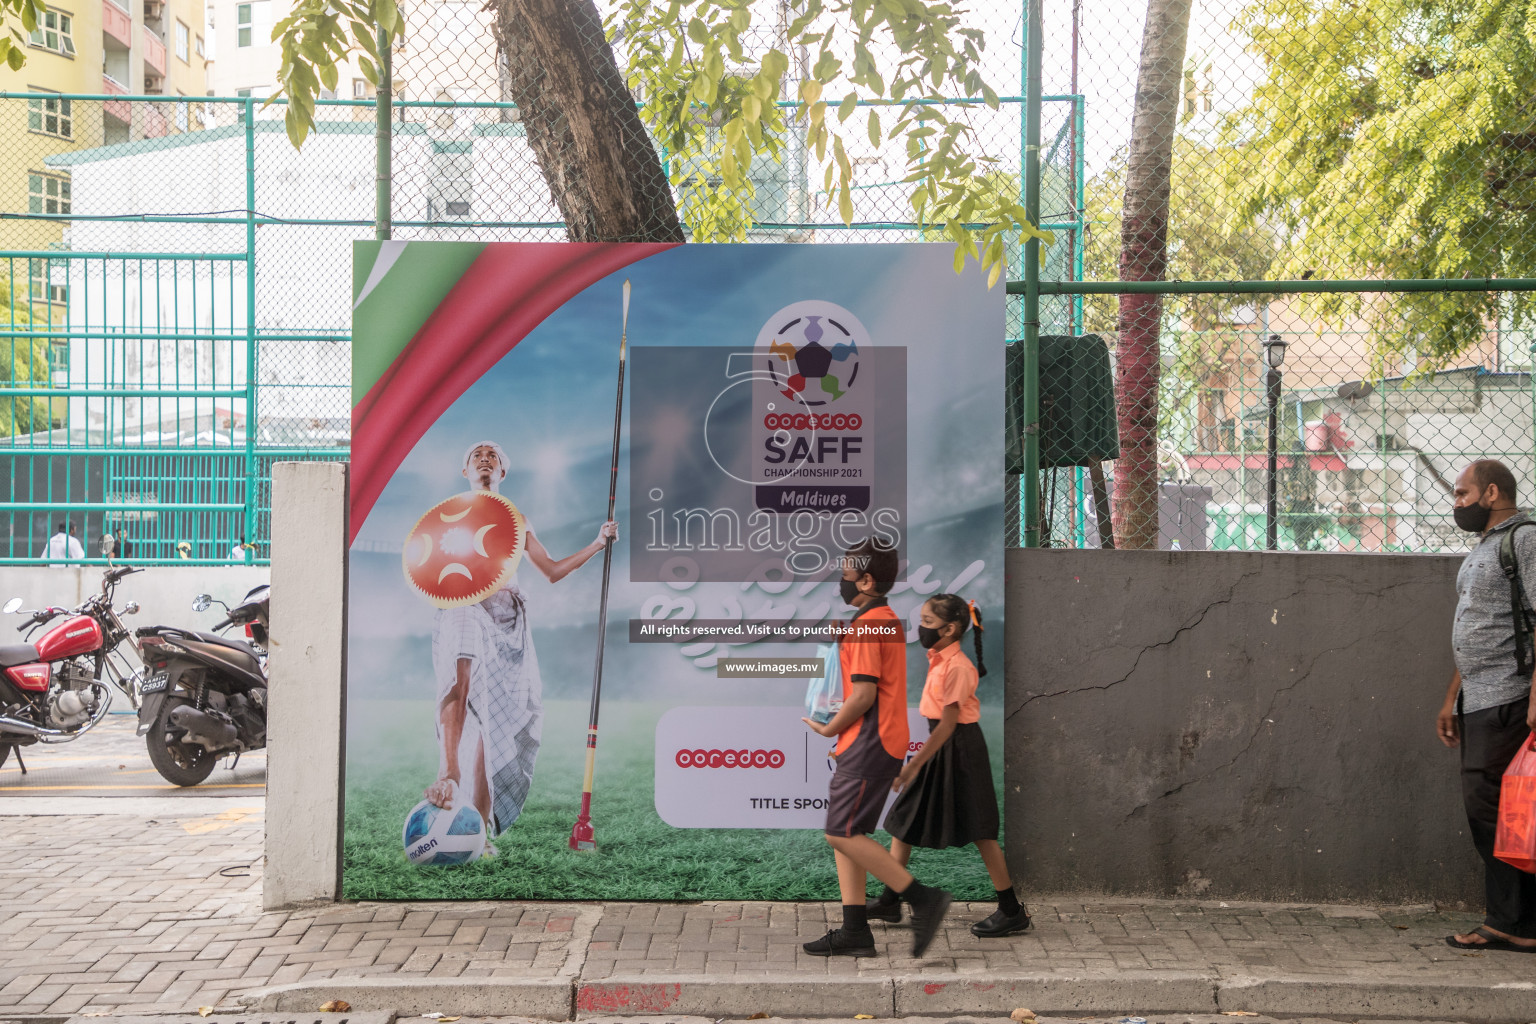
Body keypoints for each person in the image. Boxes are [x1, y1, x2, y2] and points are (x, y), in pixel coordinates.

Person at [423, 441, 617, 854]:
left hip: (508, 621)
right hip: (463, 604)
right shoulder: (447, 517)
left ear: (503, 473)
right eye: (475, 453)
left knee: (498, 724)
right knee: (460, 651)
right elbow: (429, 568)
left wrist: (598, 543)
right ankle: (448, 770)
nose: (484, 457)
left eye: (492, 454)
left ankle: (476, 831)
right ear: (465, 472)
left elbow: (550, 571)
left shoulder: (516, 520)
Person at [801, 538, 953, 958]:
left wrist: (830, 728)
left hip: (869, 741)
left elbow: (864, 696)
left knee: (840, 832)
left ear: (867, 580)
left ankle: (922, 899)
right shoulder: (881, 619)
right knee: (850, 833)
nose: (841, 582)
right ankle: (854, 932)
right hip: (874, 740)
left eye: (846, 575)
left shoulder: (870, 625)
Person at [871, 594, 1031, 937]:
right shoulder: (939, 659)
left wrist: (913, 766)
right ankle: (888, 900)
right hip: (943, 745)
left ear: (951, 628)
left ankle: (1011, 910)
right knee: (904, 821)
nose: (921, 628)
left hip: (959, 749)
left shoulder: (957, 667)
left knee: (981, 830)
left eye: (927, 622)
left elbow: (947, 724)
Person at [1438, 459, 1536, 953]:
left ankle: (1513, 922)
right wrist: (1453, 695)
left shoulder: (1525, 540)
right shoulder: (1487, 547)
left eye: (1461, 494)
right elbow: (1481, 626)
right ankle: (1516, 920)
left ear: (1492, 492)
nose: (1456, 503)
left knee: (1496, 811)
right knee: (1492, 810)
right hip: (1479, 698)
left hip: (1511, 697)